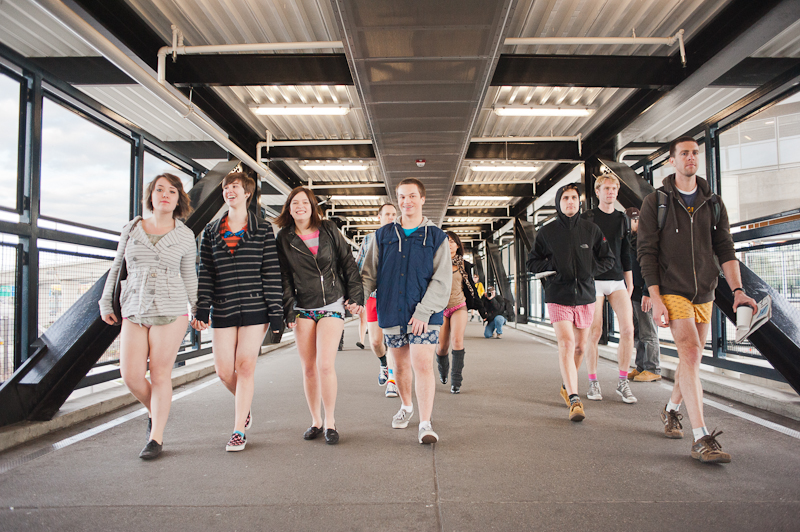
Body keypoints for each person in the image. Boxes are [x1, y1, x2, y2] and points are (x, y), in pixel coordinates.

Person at [638, 136, 757, 464]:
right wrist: (655, 296)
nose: (691, 158)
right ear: (672, 161)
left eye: (695, 153)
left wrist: (737, 290)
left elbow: (726, 249)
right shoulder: (656, 202)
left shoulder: (713, 203)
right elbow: (646, 252)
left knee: (691, 360)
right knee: (690, 352)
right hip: (673, 289)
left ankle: (671, 409)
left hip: (704, 291)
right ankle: (701, 437)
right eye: (684, 154)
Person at [99, 174, 197, 460]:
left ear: (179, 199)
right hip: (134, 306)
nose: (165, 195)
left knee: (159, 373)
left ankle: (156, 438)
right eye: (159, 190)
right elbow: (117, 266)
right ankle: (157, 412)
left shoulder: (185, 235)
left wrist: (199, 309)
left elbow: (189, 275)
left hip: (171, 307)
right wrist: (106, 301)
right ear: (150, 196)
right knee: (129, 375)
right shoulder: (132, 228)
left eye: (172, 191)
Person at [192, 172, 283, 452]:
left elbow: (270, 272)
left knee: (245, 365)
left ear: (247, 194)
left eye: (235, 187)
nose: (229, 191)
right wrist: (201, 309)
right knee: (223, 372)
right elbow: (205, 273)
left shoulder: (263, 229)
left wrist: (277, 313)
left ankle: (238, 430)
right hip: (223, 307)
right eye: (226, 188)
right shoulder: (211, 231)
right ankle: (245, 406)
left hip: (256, 308)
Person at [361, 178, 451, 444]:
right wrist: (358, 298)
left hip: (425, 313)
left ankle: (425, 423)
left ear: (422, 199)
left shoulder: (436, 236)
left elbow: (442, 279)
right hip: (392, 309)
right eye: (401, 197)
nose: (406, 201)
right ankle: (407, 406)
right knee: (399, 367)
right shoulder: (383, 235)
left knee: (422, 364)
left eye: (412, 196)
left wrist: (424, 312)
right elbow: (369, 274)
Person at [275, 187, 364, 445]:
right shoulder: (284, 237)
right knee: (309, 368)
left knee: (325, 365)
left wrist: (355, 296)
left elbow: (348, 262)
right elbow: (283, 276)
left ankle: (331, 421)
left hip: (331, 303)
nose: (299, 206)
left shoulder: (328, 229)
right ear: (289, 208)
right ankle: (316, 420)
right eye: (294, 203)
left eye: (304, 202)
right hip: (302, 306)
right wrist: (288, 307)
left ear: (313, 206)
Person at [527, 183, 615, 422]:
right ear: (559, 202)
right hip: (558, 295)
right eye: (565, 198)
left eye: (574, 198)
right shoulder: (547, 232)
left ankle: (567, 385)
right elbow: (532, 262)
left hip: (586, 295)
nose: (570, 202)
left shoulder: (591, 229)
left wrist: (589, 270)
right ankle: (575, 398)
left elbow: (608, 259)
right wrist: (553, 268)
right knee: (566, 343)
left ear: (579, 202)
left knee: (580, 347)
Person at [582, 174, 638, 404]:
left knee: (628, 330)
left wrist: (630, 280)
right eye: (606, 188)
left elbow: (625, 251)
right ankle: (593, 382)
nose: (611, 192)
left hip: (616, 280)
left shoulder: (622, 219)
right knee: (594, 332)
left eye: (614, 188)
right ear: (597, 192)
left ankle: (622, 382)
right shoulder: (588, 218)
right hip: (594, 279)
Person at [355, 203, 400, 397]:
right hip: (373, 297)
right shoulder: (368, 239)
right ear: (379, 217)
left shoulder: (402, 238)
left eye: (393, 214)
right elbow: (359, 267)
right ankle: (383, 364)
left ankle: (392, 380)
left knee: (392, 340)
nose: (390, 217)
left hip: (394, 297)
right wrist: (356, 296)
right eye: (387, 214)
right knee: (375, 342)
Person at [436, 231, 482, 394]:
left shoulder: (465, 265)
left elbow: (471, 289)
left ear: (457, 245)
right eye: (445, 241)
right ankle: (443, 370)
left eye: (452, 241)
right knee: (442, 347)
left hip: (459, 305)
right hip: (440, 307)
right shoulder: (436, 263)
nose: (449, 244)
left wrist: (483, 311)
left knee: (457, 340)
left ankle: (456, 381)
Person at [624, 207, 661, 382]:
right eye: (632, 220)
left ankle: (653, 368)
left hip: (645, 293)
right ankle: (641, 367)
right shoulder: (629, 240)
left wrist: (648, 292)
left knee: (648, 331)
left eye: (637, 220)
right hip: (633, 293)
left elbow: (652, 268)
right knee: (638, 332)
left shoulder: (646, 241)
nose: (635, 223)